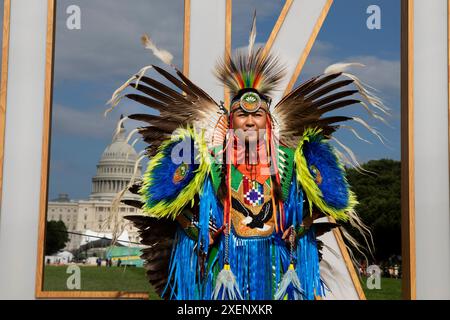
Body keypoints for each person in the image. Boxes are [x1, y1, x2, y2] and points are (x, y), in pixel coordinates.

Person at [109, 17, 385, 300]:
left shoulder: (291, 160)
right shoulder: (209, 161)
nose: (250, 122)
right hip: (223, 267)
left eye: (257, 115)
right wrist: (196, 229)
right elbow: (163, 203)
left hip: (275, 265)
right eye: (242, 115)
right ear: (231, 122)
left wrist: (300, 227)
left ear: (268, 121)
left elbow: (331, 202)